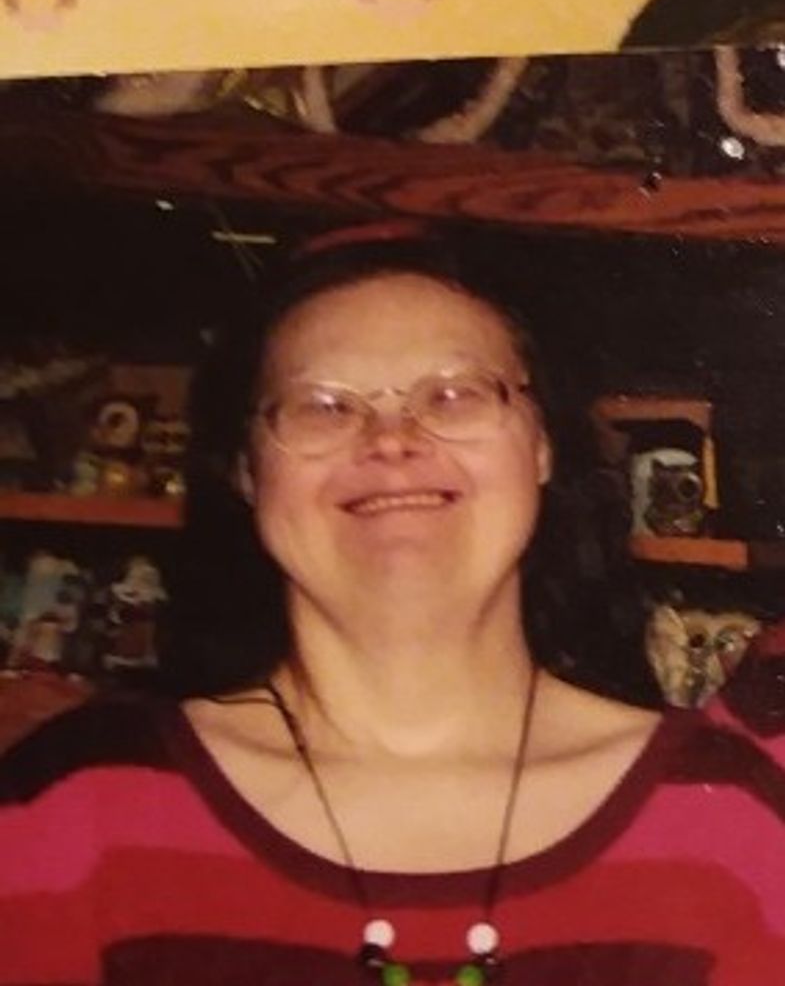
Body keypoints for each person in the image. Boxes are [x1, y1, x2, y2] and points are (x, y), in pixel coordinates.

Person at [1, 221, 784, 986]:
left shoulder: (725, 819)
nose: (390, 440)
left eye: (453, 395)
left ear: (542, 444)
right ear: (245, 469)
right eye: (323, 406)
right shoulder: (77, 805)